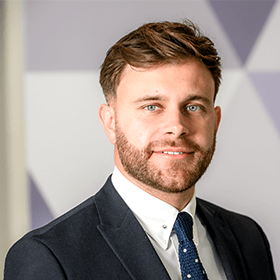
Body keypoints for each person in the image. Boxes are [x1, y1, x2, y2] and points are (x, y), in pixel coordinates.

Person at [4, 20, 276, 280]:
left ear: (215, 121)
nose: (177, 126)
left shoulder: (247, 237)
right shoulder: (48, 257)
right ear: (111, 123)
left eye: (193, 106)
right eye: (151, 107)